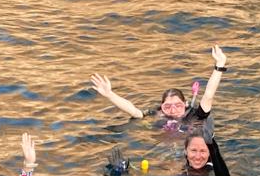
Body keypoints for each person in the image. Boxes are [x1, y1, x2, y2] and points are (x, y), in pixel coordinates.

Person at [90, 45, 227, 139]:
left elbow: (208, 96)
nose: (173, 111)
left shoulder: (194, 116)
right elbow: (134, 112)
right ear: (161, 107)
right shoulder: (158, 115)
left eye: (177, 105)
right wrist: (110, 94)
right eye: (167, 106)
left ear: (185, 104)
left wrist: (219, 65)